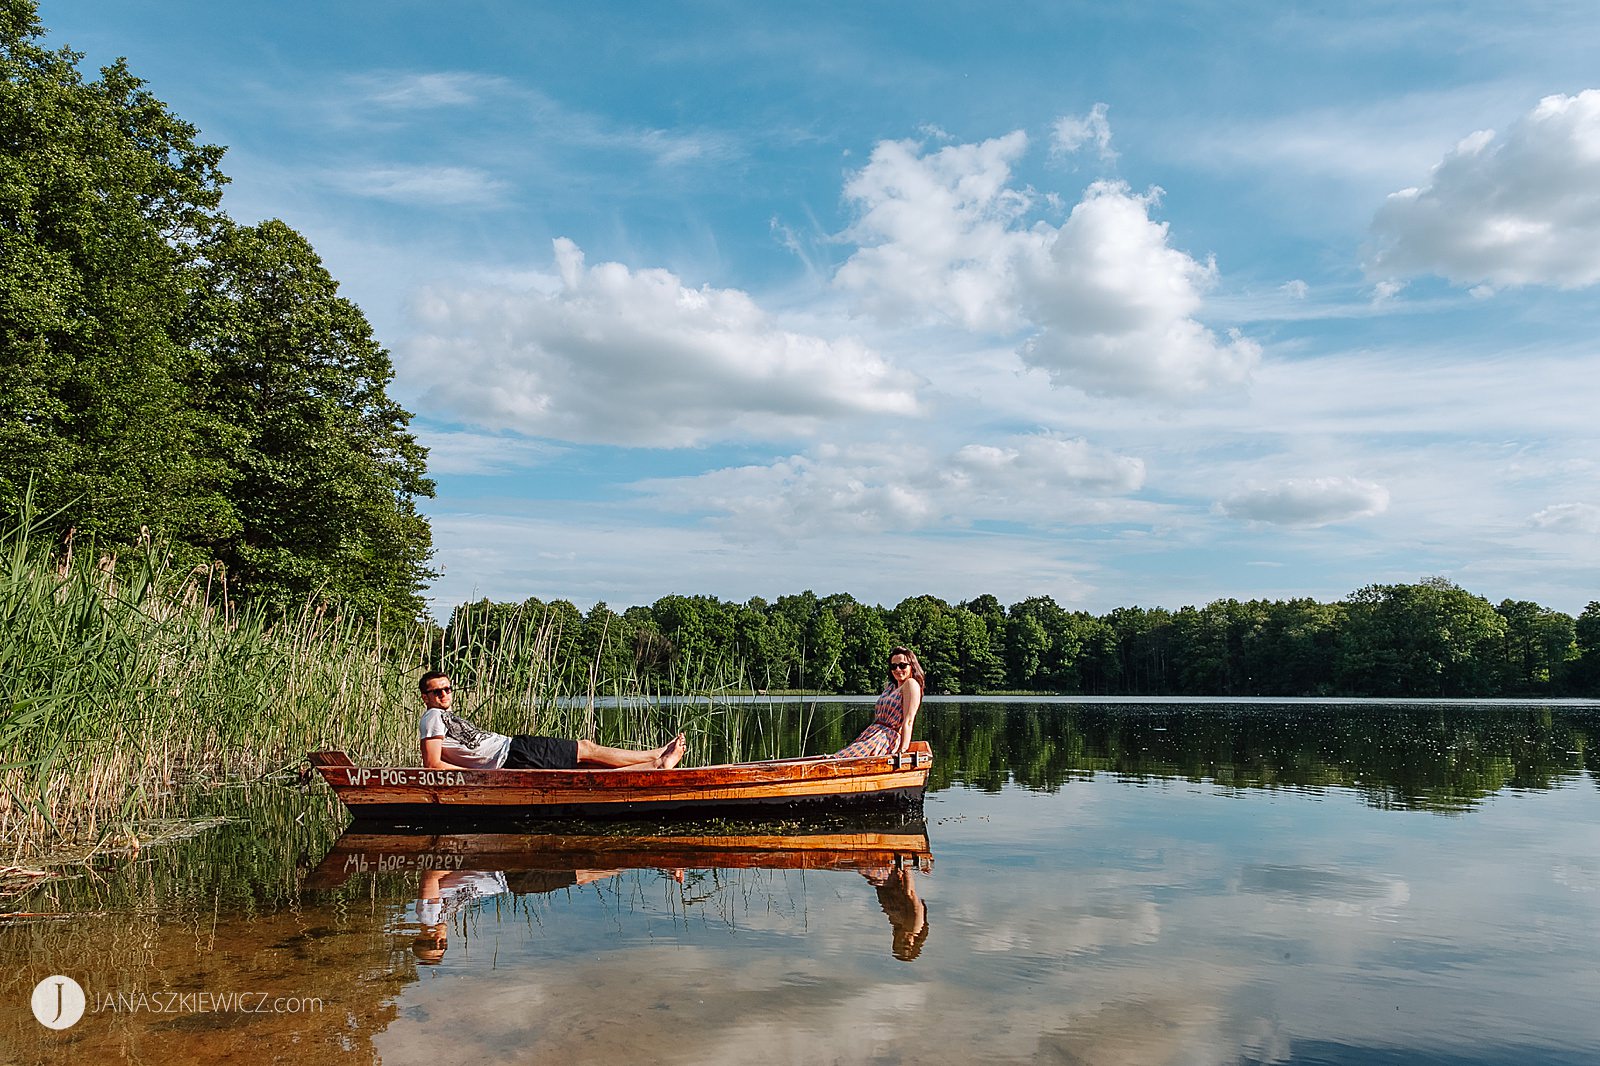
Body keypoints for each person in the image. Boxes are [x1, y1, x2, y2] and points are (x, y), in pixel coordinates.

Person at [417, 671, 686, 770]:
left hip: (513, 750)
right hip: (512, 754)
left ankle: (655, 765)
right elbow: (432, 763)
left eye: (447, 689)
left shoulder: (443, 716)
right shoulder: (431, 717)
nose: (443, 694)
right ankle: (656, 755)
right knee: (586, 749)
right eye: (436, 691)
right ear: (425, 697)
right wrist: (474, 776)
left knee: (586, 769)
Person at [835, 646, 923, 757]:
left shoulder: (911, 684)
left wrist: (903, 750)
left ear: (912, 666)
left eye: (902, 665)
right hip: (872, 734)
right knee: (842, 756)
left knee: (847, 758)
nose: (898, 670)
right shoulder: (890, 687)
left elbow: (909, 720)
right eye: (893, 666)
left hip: (886, 739)